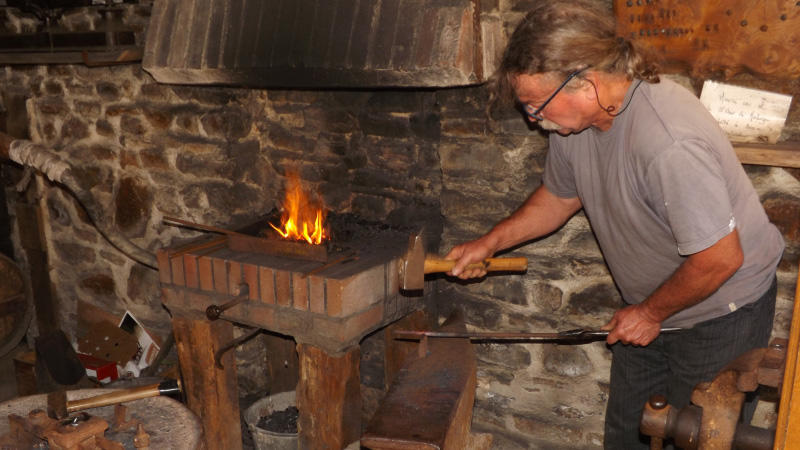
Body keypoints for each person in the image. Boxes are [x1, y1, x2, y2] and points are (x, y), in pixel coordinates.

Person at [444, 1, 785, 448]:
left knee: (702, 439)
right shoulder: (575, 125)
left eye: (535, 105)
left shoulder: (668, 141)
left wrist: (649, 314)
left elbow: (719, 258)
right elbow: (560, 197)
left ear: (586, 83)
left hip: (721, 313)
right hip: (652, 306)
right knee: (629, 436)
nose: (534, 119)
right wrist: (490, 243)